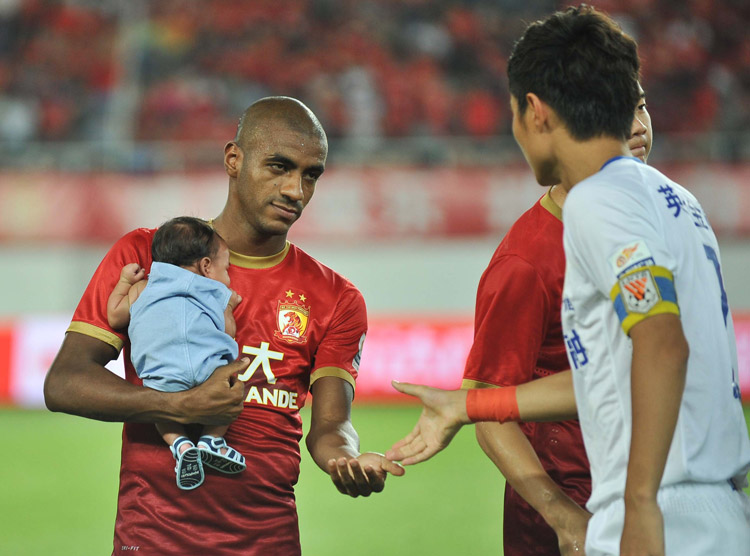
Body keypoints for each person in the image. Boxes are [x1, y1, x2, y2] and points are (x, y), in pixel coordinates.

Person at [388, 6, 750, 556]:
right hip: (717, 506)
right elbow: (614, 371)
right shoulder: (676, 200)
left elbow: (660, 343)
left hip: (658, 510)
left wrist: (641, 506)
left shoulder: (597, 204)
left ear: (535, 112)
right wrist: (469, 406)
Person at [44, 96, 404, 556]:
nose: (296, 189)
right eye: (279, 166)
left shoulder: (338, 298)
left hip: (267, 542)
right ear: (234, 159)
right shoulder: (146, 255)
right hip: (153, 540)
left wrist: (345, 460)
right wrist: (180, 404)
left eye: (310, 174)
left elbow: (331, 425)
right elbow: (65, 383)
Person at [460, 92, 652, 556]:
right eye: (610, 109)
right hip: (577, 506)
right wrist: (563, 515)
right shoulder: (527, 262)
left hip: (656, 489)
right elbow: (486, 406)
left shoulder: (660, 213)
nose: (636, 124)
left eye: (641, 104)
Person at [107, 216, 246, 491]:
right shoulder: (216, 290)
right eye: (226, 268)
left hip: (163, 375)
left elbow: (114, 316)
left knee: (161, 408)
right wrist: (229, 306)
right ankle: (212, 440)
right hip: (208, 372)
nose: (228, 276)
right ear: (206, 266)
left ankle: (180, 445)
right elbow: (228, 331)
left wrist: (124, 282)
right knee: (234, 388)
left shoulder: (142, 288)